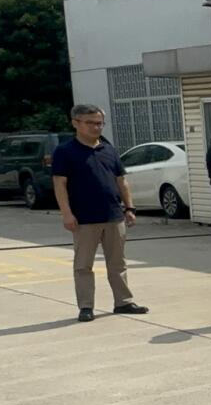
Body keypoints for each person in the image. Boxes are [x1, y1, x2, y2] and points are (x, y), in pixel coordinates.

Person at [52, 104, 149, 323]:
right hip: (84, 219)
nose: (96, 127)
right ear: (75, 123)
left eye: (99, 123)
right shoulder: (65, 152)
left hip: (113, 216)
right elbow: (60, 184)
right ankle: (86, 306)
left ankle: (123, 302)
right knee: (83, 266)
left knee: (118, 263)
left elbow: (121, 181)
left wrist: (129, 208)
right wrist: (66, 214)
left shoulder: (108, 149)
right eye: (90, 123)